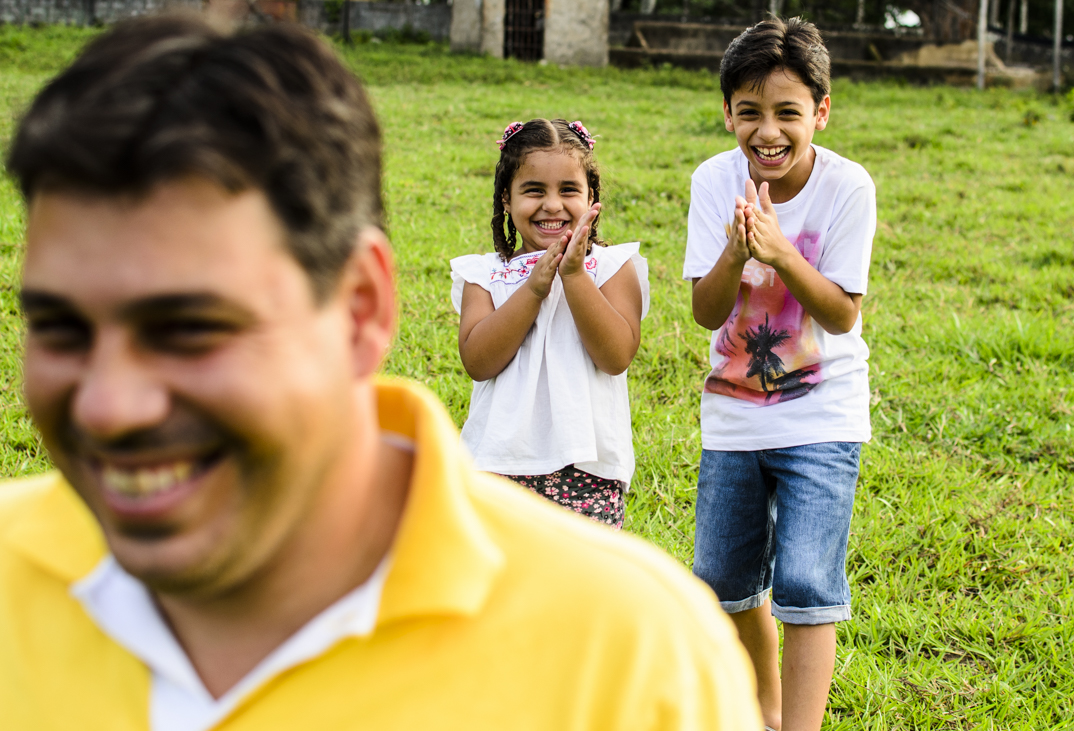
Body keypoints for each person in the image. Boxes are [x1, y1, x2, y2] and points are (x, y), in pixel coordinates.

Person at [0, 16, 763, 730]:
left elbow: (615, 349)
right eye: (60, 327)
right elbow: (481, 353)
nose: (109, 405)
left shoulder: (634, 653)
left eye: (192, 329)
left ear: (362, 309)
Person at [682, 16, 877, 731]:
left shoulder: (848, 186)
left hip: (822, 413)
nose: (769, 130)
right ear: (727, 111)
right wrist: (737, 253)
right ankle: (761, 707)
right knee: (726, 580)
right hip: (733, 414)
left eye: (788, 112)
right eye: (750, 111)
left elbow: (843, 313)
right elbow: (706, 311)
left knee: (805, 579)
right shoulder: (715, 180)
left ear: (820, 112)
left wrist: (783, 253)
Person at [451, 118, 648, 528]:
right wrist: (533, 288)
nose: (553, 205)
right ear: (506, 198)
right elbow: (478, 361)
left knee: (581, 587)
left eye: (569, 190)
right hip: (497, 466)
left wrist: (573, 276)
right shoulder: (485, 276)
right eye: (534, 190)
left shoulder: (612, 268)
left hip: (588, 471)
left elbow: (615, 356)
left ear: (591, 196)